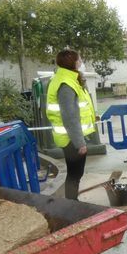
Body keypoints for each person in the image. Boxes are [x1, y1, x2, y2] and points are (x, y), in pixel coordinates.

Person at [46, 49, 96, 200]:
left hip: (70, 137)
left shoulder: (68, 78)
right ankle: (72, 203)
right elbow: (69, 116)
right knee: (75, 174)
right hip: (70, 139)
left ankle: (72, 201)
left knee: (75, 173)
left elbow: (79, 107)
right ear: (72, 62)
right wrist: (79, 143)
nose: (81, 62)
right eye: (79, 59)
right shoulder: (66, 83)